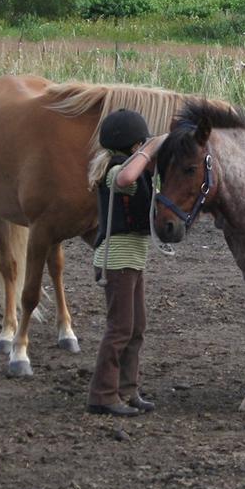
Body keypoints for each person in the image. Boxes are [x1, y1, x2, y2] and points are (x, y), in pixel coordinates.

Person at [86, 109, 167, 417]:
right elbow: (127, 177)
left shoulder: (126, 164)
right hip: (117, 261)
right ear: (134, 146)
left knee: (136, 326)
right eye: (141, 145)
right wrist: (150, 149)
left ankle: (127, 389)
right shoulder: (115, 171)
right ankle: (103, 394)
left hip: (131, 260)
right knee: (120, 328)